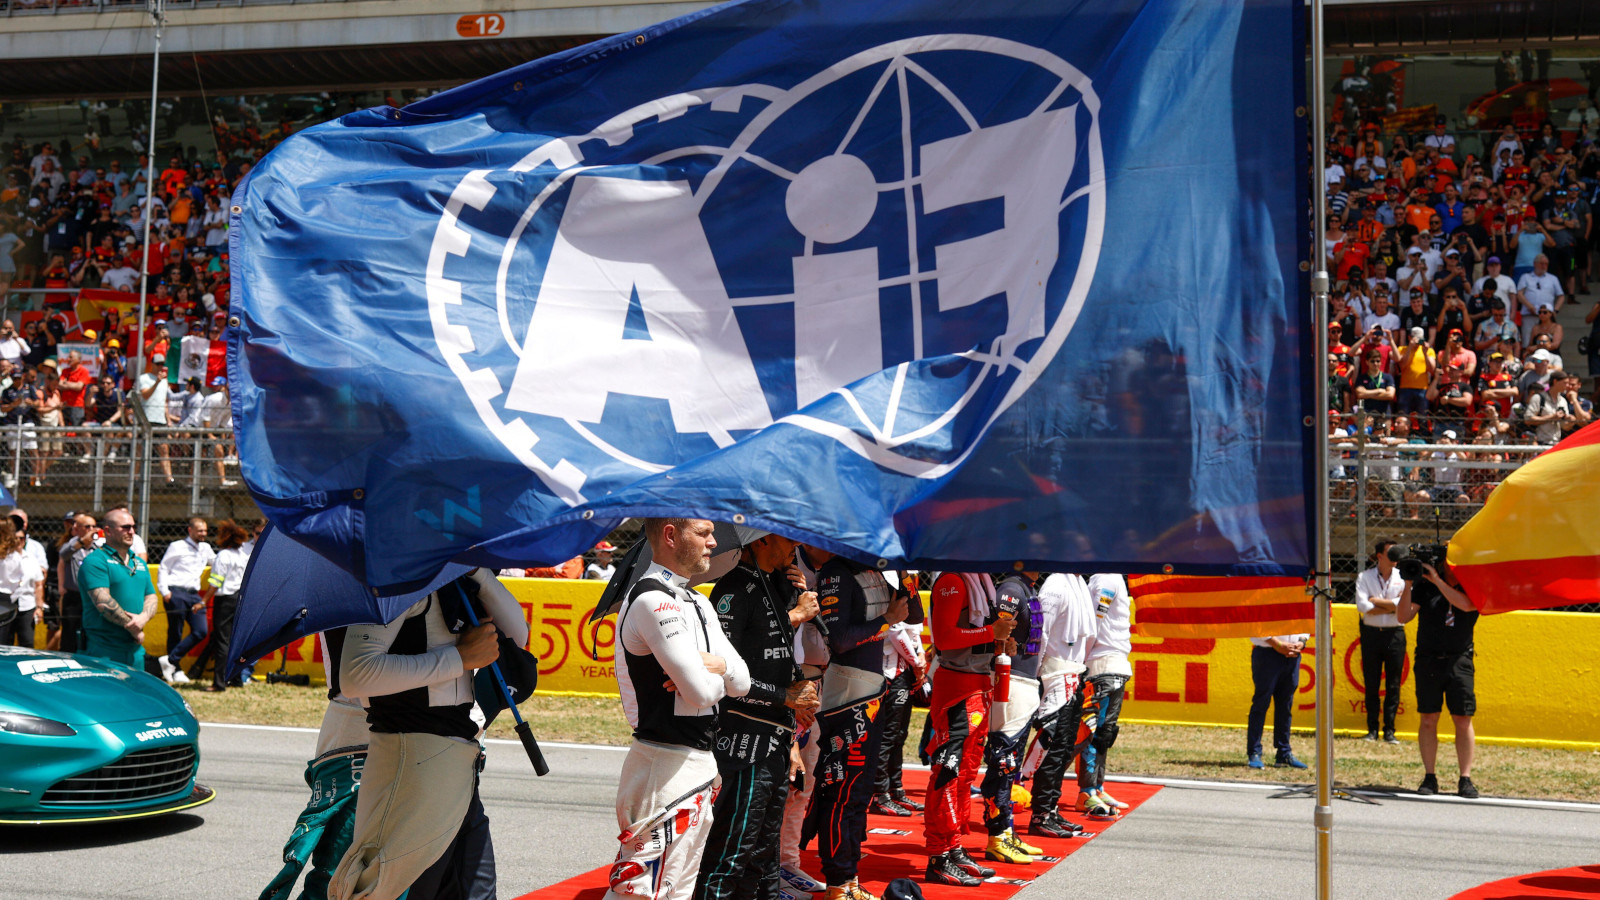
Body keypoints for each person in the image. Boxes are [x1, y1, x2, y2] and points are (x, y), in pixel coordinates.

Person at [329, 568, 527, 900]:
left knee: (472, 892)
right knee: (380, 889)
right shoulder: (398, 577)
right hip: (413, 759)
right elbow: (355, 674)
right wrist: (459, 657)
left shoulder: (460, 573)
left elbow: (517, 634)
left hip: (455, 760)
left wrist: (476, 569)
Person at [604, 518, 750, 900]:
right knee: (636, 893)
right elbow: (703, 693)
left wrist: (715, 668)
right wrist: (717, 673)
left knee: (678, 893)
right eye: (703, 533)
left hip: (699, 765)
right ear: (671, 535)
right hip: (661, 768)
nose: (713, 542)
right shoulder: (652, 598)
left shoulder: (699, 601)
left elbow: (744, 681)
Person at [694, 532, 819, 900]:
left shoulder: (777, 585)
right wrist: (794, 615)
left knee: (764, 861)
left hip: (777, 739)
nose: (795, 545)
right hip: (743, 742)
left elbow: (777, 657)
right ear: (761, 541)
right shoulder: (732, 588)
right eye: (786, 538)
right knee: (732, 854)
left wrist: (791, 732)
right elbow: (727, 668)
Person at [807, 554, 917, 900]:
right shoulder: (835, 573)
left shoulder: (880, 570)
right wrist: (886, 620)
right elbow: (839, 639)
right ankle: (838, 880)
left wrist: (909, 569)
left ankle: (850, 878)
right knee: (842, 792)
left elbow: (914, 615)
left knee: (860, 793)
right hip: (847, 693)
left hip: (874, 688)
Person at [923, 572, 1014, 886]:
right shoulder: (953, 579)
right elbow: (946, 639)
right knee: (948, 772)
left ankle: (954, 847)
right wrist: (991, 631)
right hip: (957, 690)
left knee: (966, 773)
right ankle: (938, 855)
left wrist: (999, 640)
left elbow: (973, 635)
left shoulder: (980, 579)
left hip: (978, 686)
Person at [1397, 550, 1479, 799]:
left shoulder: (1472, 585)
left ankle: (1465, 778)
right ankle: (1430, 776)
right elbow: (1402, 616)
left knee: (1462, 718)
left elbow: (1466, 605)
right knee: (1429, 718)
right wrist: (1409, 584)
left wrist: (1438, 581)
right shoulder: (1424, 586)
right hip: (1429, 659)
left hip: (1459, 659)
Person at [980, 571, 1049, 864]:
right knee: (1003, 762)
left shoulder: (1027, 587)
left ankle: (1006, 831)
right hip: (1010, 682)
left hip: (1024, 682)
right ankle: (996, 837)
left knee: (1011, 764)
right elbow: (998, 632)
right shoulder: (1010, 587)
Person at [1025, 571, 1094, 840]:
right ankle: (1040, 813)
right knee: (1052, 747)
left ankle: (1051, 808)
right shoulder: (1055, 582)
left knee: (1065, 747)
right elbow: (1040, 631)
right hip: (1054, 675)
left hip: (1074, 672)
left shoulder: (1078, 581)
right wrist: (1036, 671)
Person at [1072, 574, 1133, 818]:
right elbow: (1094, 623)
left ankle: (1097, 787)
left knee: (1105, 733)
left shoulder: (1112, 576)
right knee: (1091, 731)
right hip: (1100, 665)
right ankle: (1086, 792)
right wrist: (1083, 661)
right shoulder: (1105, 577)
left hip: (1115, 663)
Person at [869, 574, 925, 818]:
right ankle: (879, 794)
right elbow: (895, 630)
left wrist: (919, 657)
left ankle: (896, 788)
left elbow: (913, 631)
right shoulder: (890, 578)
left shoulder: (909, 579)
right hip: (888, 671)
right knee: (888, 735)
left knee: (900, 734)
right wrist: (916, 662)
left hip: (906, 669)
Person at [77, 507, 159, 668]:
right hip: (103, 650)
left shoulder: (139, 563)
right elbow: (104, 603)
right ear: (108, 531)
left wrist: (143, 618)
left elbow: (151, 596)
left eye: (133, 527)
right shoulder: (95, 561)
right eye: (125, 527)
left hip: (135, 650)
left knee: (136, 692)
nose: (132, 531)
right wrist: (134, 628)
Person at [1356, 540, 1407, 744]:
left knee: (1394, 684)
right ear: (1379, 556)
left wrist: (1376, 602)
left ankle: (1390, 729)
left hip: (1395, 634)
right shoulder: (1364, 576)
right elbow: (1362, 605)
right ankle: (1372, 729)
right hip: (1371, 633)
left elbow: (1403, 604)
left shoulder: (1403, 577)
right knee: (1371, 683)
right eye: (1390, 552)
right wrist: (1392, 606)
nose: (1396, 556)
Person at [156, 516, 215, 685]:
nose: (203, 534)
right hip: (176, 592)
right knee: (176, 631)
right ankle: (177, 670)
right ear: (190, 530)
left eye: (205, 530)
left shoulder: (205, 548)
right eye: (200, 530)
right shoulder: (177, 546)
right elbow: (164, 568)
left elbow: (216, 562)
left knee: (200, 631)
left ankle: (170, 660)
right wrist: (165, 591)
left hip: (194, 594)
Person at [1244, 631, 1309, 769]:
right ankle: (1254, 751)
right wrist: (1277, 644)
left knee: (1285, 705)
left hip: (1292, 654)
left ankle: (1284, 752)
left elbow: (1305, 621)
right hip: (1267, 652)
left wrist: (1301, 642)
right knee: (1261, 703)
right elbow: (1257, 624)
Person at [201, 519, 251, 692]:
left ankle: (219, 682)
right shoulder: (244, 556)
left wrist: (203, 601)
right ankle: (236, 679)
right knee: (235, 641)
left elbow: (216, 581)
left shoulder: (223, 555)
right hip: (240, 600)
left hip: (225, 600)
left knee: (222, 642)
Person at [55, 512, 98, 653]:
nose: (91, 529)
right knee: (69, 632)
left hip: (92, 596)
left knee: (91, 631)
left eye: (93, 526)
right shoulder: (72, 545)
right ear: (78, 529)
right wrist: (81, 542)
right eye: (87, 526)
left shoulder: (97, 548)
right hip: (74, 595)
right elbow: (63, 555)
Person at [0, 520, 40, 648]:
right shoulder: (14, 556)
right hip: (9, 598)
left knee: (4, 639)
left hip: (6, 598)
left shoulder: (11, 556)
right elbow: (20, 579)